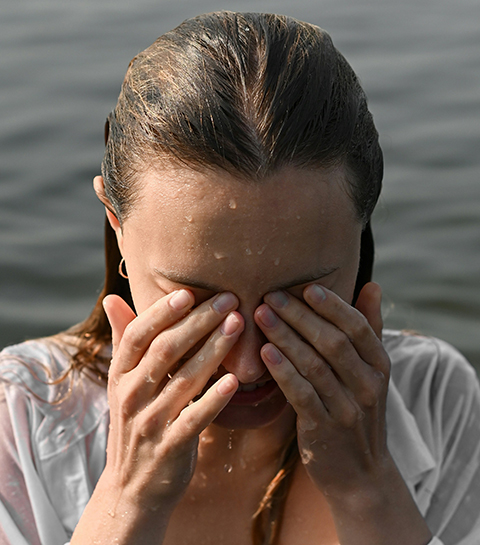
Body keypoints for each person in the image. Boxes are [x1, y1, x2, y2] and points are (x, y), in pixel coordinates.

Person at [0, 11, 479, 545]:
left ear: (361, 226)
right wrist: (126, 499)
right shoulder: (21, 421)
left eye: (296, 301)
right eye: (199, 302)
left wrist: (367, 490)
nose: (248, 365)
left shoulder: (438, 402)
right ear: (115, 217)